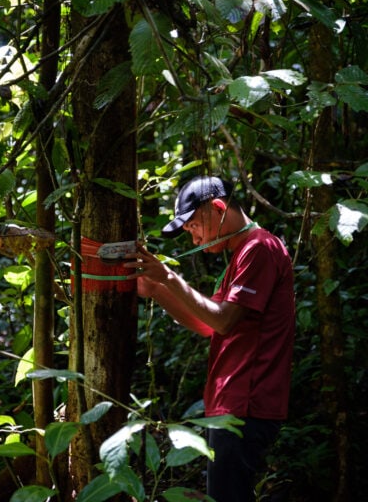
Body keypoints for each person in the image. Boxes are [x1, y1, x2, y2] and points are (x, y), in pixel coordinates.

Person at [124, 176, 295, 502]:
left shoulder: (260, 247)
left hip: (247, 403)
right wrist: (156, 290)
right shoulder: (242, 253)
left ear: (218, 208)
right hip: (231, 405)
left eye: (193, 226)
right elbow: (208, 324)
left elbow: (224, 321)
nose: (193, 237)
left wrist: (169, 278)